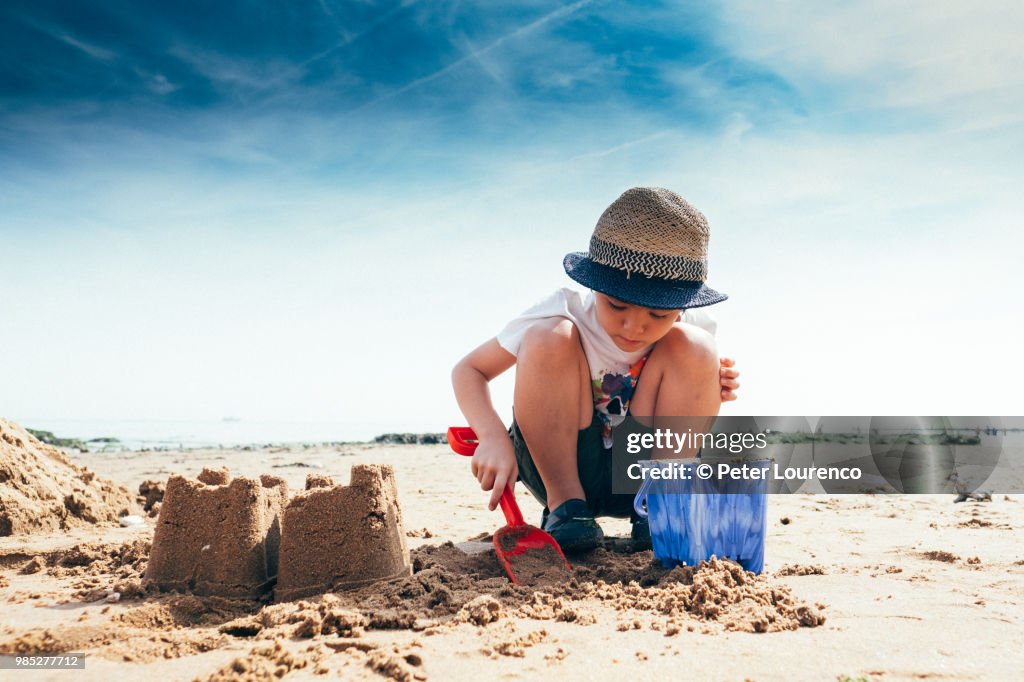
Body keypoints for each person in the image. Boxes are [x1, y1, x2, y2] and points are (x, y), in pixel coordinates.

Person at [451, 187, 738, 551]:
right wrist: (491, 437)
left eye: (659, 314)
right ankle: (566, 511)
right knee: (548, 335)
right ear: (594, 285)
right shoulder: (565, 311)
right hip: (558, 466)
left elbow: (689, 406)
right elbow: (469, 370)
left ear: (682, 304)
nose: (634, 328)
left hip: (641, 469)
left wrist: (709, 387)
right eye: (617, 306)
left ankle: (662, 503)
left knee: (696, 348)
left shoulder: (693, 327)